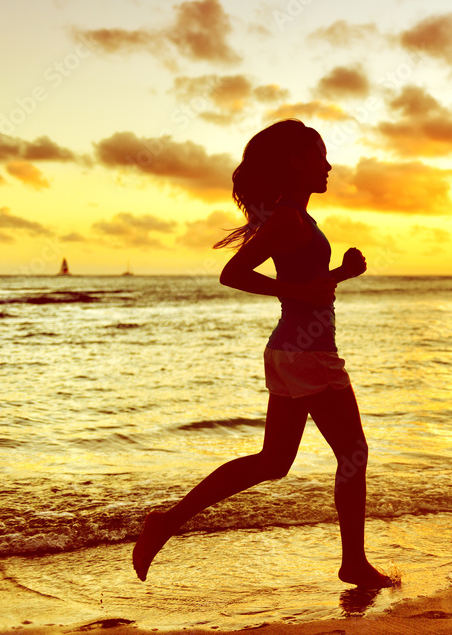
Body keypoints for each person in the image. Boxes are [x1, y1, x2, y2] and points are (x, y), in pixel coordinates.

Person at [131, 119, 396, 589]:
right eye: (319, 154)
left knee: (273, 462)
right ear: (295, 162)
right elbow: (233, 273)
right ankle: (352, 562)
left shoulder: (296, 218)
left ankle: (166, 523)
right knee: (353, 451)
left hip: (294, 352)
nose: (328, 164)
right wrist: (302, 287)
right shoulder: (288, 218)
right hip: (306, 354)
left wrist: (341, 274)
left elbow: (307, 293)